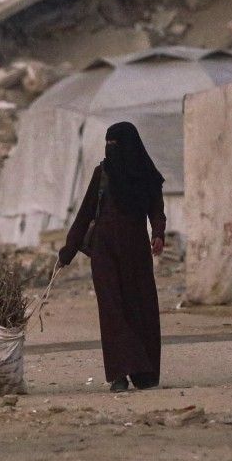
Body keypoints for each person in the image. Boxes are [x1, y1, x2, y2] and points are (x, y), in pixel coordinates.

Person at [58, 122, 166, 392]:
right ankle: (119, 373)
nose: (110, 149)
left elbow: (156, 210)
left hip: (136, 253)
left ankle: (142, 371)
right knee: (112, 311)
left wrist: (158, 234)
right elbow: (84, 214)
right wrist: (67, 252)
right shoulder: (102, 173)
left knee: (139, 308)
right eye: (107, 144)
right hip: (104, 253)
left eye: (115, 144)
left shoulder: (146, 175)